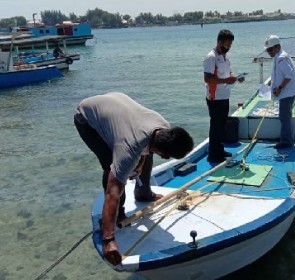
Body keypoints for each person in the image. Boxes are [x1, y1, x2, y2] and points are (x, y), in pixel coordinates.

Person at [74, 92, 194, 265]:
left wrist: (140, 162)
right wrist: (109, 241)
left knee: (143, 153)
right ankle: (117, 216)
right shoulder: (128, 149)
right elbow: (113, 191)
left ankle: (143, 193)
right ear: (164, 153)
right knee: (110, 167)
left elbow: (147, 147)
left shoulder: (163, 128)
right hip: (86, 118)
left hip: (115, 103)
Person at [203, 29, 245, 163]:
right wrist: (226, 80)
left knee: (222, 125)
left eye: (230, 45)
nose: (228, 48)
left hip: (225, 95)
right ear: (219, 42)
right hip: (214, 97)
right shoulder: (211, 57)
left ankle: (219, 149)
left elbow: (228, 73)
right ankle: (213, 154)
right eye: (227, 45)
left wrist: (236, 77)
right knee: (215, 126)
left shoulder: (225, 57)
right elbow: (208, 78)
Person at [264, 35, 295, 148]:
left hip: (288, 92)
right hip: (289, 91)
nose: (269, 52)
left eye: (270, 49)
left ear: (277, 47)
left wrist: (279, 88)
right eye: (267, 50)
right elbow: (279, 74)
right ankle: (287, 138)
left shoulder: (281, 58)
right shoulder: (278, 56)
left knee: (284, 116)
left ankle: (286, 141)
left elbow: (289, 75)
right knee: (285, 115)